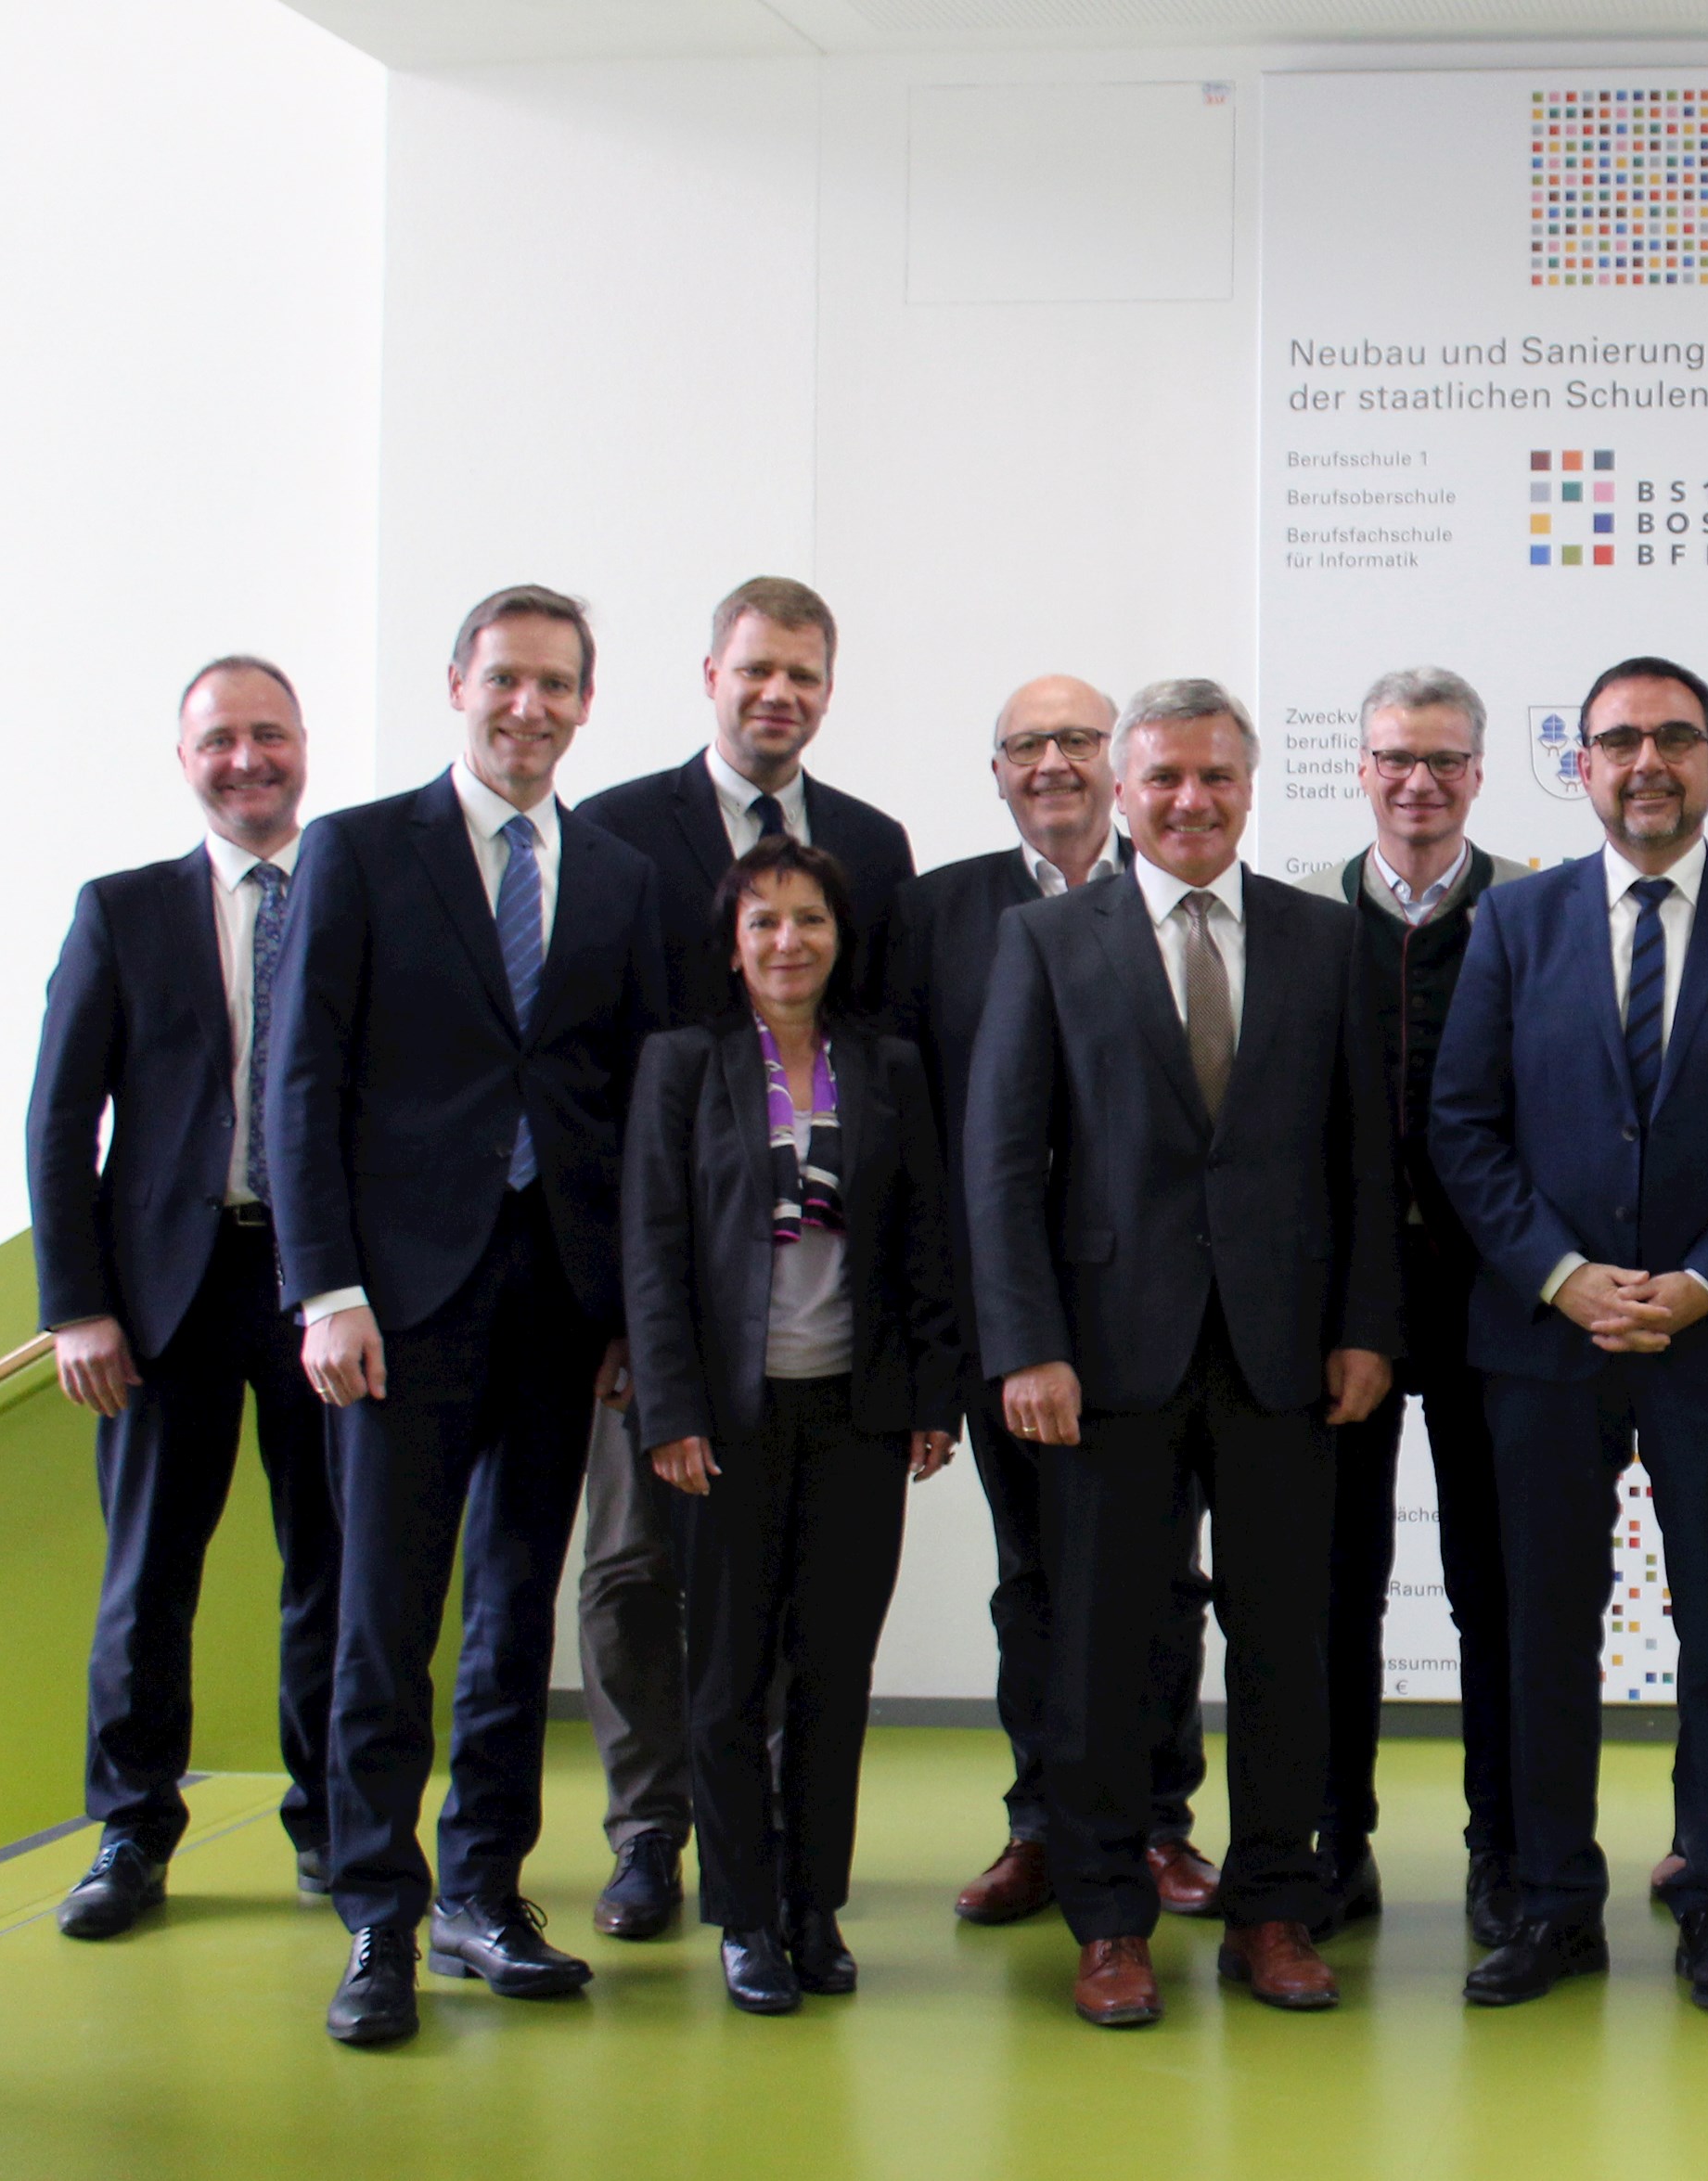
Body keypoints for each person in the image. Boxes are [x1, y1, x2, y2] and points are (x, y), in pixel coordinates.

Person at [265, 584, 672, 2048]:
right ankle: (377, 1908)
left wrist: (633, 1309)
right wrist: (328, 1286)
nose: (531, 708)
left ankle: (483, 1893)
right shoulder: (362, 851)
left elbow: (632, 1112)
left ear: (585, 700)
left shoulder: (617, 875)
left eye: (557, 684)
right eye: (506, 679)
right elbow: (299, 1081)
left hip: (558, 1298)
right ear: (457, 684)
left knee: (513, 1618)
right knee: (386, 1615)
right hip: (396, 1304)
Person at [963, 679, 1400, 2028]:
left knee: (1289, 1640)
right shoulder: (1045, 939)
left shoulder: (1329, 940)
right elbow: (1003, 1157)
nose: (1191, 801)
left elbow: (1367, 1160)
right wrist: (1026, 1340)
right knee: (1103, 1647)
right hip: (1104, 1360)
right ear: (1123, 790)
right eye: (1164, 780)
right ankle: (1107, 1917)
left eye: (1216, 776)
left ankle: (1273, 1905)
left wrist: (1368, 1325)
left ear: (1251, 784)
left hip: (1283, 1357)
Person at [1431, 656, 1708, 2015]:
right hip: (1545, 1341)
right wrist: (1561, 1275)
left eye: (1675, 737)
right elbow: (1464, 1126)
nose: (1647, 762)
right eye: (1619, 741)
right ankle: (1555, 1900)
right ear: (1583, 764)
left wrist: (1703, 1279)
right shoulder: (1517, 922)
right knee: (1544, 1627)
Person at [571, 577, 919, 1943]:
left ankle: (783, 1872)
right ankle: (654, 1832)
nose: (780, 693)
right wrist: (633, 1329)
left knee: (810, 1623)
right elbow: (599, 1079)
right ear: (709, 672)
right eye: (757, 669)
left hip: (827, 1327)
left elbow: (898, 1081)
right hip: (673, 1302)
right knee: (639, 1576)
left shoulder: (875, 846)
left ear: (829, 689)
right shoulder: (613, 832)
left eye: (806, 675)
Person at [27, 655, 342, 1939]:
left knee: (334, 1562)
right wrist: (77, 1304)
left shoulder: (356, 891)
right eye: (220, 739)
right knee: (150, 1571)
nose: (247, 758)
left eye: (269, 734)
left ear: (304, 746)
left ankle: (335, 1823)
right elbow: (61, 1118)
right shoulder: (123, 909)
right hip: (164, 1292)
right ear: (185, 758)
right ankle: (131, 1827)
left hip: (321, 1278)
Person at [898, 677, 1220, 1931]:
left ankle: (1160, 1822)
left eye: (1078, 740)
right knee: (1035, 1579)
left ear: (1122, 764)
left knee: (1166, 1583)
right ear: (996, 771)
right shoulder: (936, 914)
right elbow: (923, 1129)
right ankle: (1043, 1818)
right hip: (1013, 1315)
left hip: (1164, 1311)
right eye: (1026, 743)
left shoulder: (1186, 903)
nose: (1053, 763)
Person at [623, 837, 963, 2013]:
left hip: (858, 1412)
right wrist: (666, 1409)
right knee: (724, 1678)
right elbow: (653, 1253)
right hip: (723, 1420)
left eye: (809, 918)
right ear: (733, 943)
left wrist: (932, 1394)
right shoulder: (683, 1064)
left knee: (832, 1672)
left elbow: (926, 1240)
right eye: (762, 921)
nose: (787, 940)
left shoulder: (890, 1067)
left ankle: (815, 1905)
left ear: (838, 935)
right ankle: (745, 1915)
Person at [1297, 665, 1532, 1947]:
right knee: (1340, 1582)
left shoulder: (1533, 911)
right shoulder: (1309, 920)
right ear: (1363, 766)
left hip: (1500, 1302)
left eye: (1444, 759)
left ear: (1478, 773)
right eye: (1396, 756)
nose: (1419, 781)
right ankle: (1340, 1840)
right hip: (1347, 1312)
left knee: (1494, 1589)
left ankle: (1502, 1846)